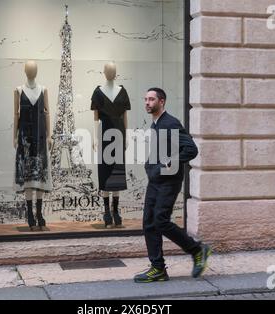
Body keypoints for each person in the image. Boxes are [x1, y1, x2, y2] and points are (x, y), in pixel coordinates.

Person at [134, 88, 212, 283]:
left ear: (162, 101)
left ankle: (197, 250)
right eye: (145, 99)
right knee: (149, 223)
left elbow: (191, 150)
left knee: (160, 220)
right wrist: (151, 166)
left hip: (169, 181)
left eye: (151, 99)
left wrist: (167, 165)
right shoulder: (156, 125)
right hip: (156, 181)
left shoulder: (170, 123)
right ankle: (158, 268)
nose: (147, 102)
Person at [14, 60, 53, 231]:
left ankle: (39, 213)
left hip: (40, 136)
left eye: (34, 68)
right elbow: (15, 114)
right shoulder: (18, 90)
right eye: (29, 68)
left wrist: (50, 135)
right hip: (24, 138)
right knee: (29, 178)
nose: (32, 70)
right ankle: (30, 213)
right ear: (25, 71)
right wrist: (14, 136)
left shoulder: (44, 90)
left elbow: (47, 113)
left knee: (40, 176)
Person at [91, 62, 131, 228]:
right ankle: (106, 211)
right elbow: (95, 118)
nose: (111, 72)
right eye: (109, 70)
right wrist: (95, 137)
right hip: (104, 134)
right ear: (104, 72)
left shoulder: (122, 91)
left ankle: (116, 211)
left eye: (113, 70)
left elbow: (125, 116)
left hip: (119, 134)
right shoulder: (98, 92)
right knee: (105, 172)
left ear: (116, 72)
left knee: (117, 173)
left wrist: (127, 135)